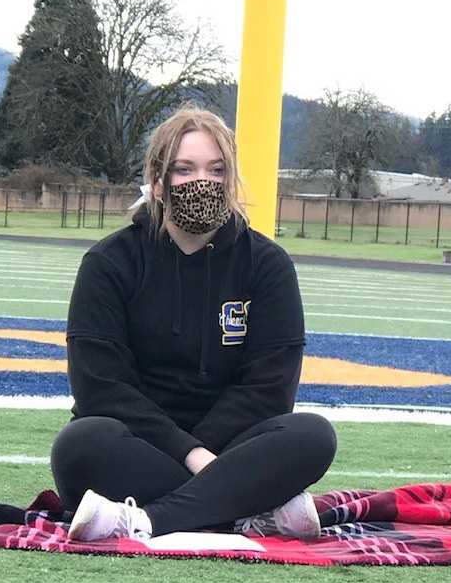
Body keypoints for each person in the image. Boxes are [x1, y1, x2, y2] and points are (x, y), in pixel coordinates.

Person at [51, 105, 336, 541]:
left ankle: (147, 520)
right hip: (140, 443)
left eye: (216, 170)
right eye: (184, 169)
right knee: (79, 445)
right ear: (158, 180)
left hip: (234, 445)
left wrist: (207, 449)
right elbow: (100, 388)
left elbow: (270, 389)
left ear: (232, 178)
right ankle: (245, 509)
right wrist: (190, 454)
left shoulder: (267, 265)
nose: (202, 182)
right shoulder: (110, 263)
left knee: (312, 436)